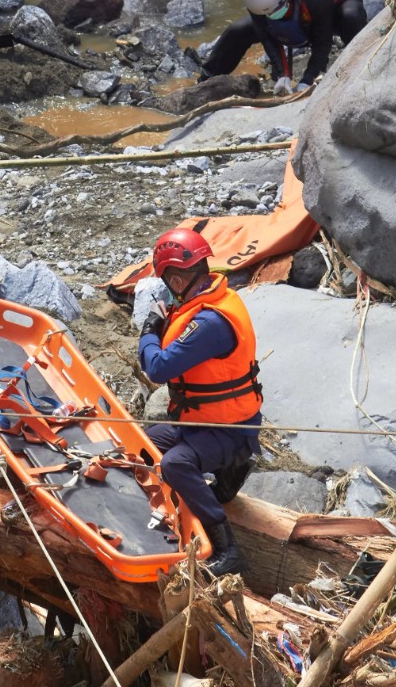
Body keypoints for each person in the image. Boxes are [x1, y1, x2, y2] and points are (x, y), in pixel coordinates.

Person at [137, 226, 261, 576]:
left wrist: (149, 331)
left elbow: (158, 368)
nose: (169, 288)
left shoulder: (209, 322)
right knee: (145, 441)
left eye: (169, 280)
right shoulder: (210, 300)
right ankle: (225, 476)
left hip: (229, 430)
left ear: (178, 279)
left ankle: (227, 547)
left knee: (175, 464)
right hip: (203, 422)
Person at [201, 0, 368, 93]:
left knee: (350, 15)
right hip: (299, 15)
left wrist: (307, 80)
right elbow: (265, 35)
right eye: (267, 13)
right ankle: (205, 81)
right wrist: (283, 74)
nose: (273, 16)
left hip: (329, 13)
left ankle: (366, 66)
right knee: (237, 31)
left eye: (275, 10)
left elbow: (322, 42)